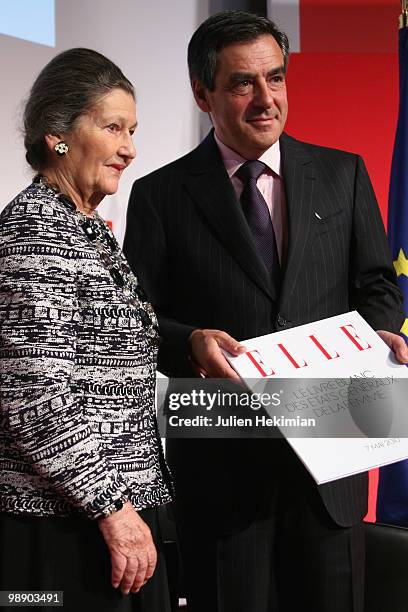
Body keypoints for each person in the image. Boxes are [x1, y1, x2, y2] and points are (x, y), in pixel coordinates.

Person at [123, 11, 408, 612]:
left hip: (332, 459)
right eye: (242, 83)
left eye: (275, 78)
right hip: (222, 467)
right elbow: (136, 321)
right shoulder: (159, 196)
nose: (265, 99)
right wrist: (189, 340)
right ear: (202, 93)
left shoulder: (343, 173)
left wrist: (382, 328)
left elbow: (377, 284)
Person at [0, 48, 174, 612]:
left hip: (99, 519)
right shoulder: (36, 233)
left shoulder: (84, 228)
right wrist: (114, 511)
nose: (129, 148)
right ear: (57, 134)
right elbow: (35, 398)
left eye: (133, 130)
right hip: (60, 532)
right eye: (112, 127)